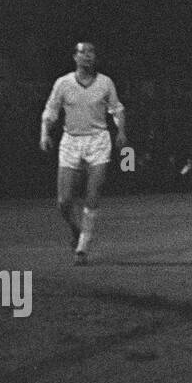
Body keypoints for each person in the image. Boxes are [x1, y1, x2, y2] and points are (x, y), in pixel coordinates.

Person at [39, 42, 127, 265]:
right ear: (75, 57)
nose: (88, 56)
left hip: (98, 141)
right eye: (83, 52)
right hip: (71, 142)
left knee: (92, 193)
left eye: (91, 52)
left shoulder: (105, 83)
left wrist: (121, 131)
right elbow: (51, 111)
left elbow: (117, 109)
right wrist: (45, 134)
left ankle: (83, 247)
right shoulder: (63, 83)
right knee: (64, 201)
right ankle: (77, 230)